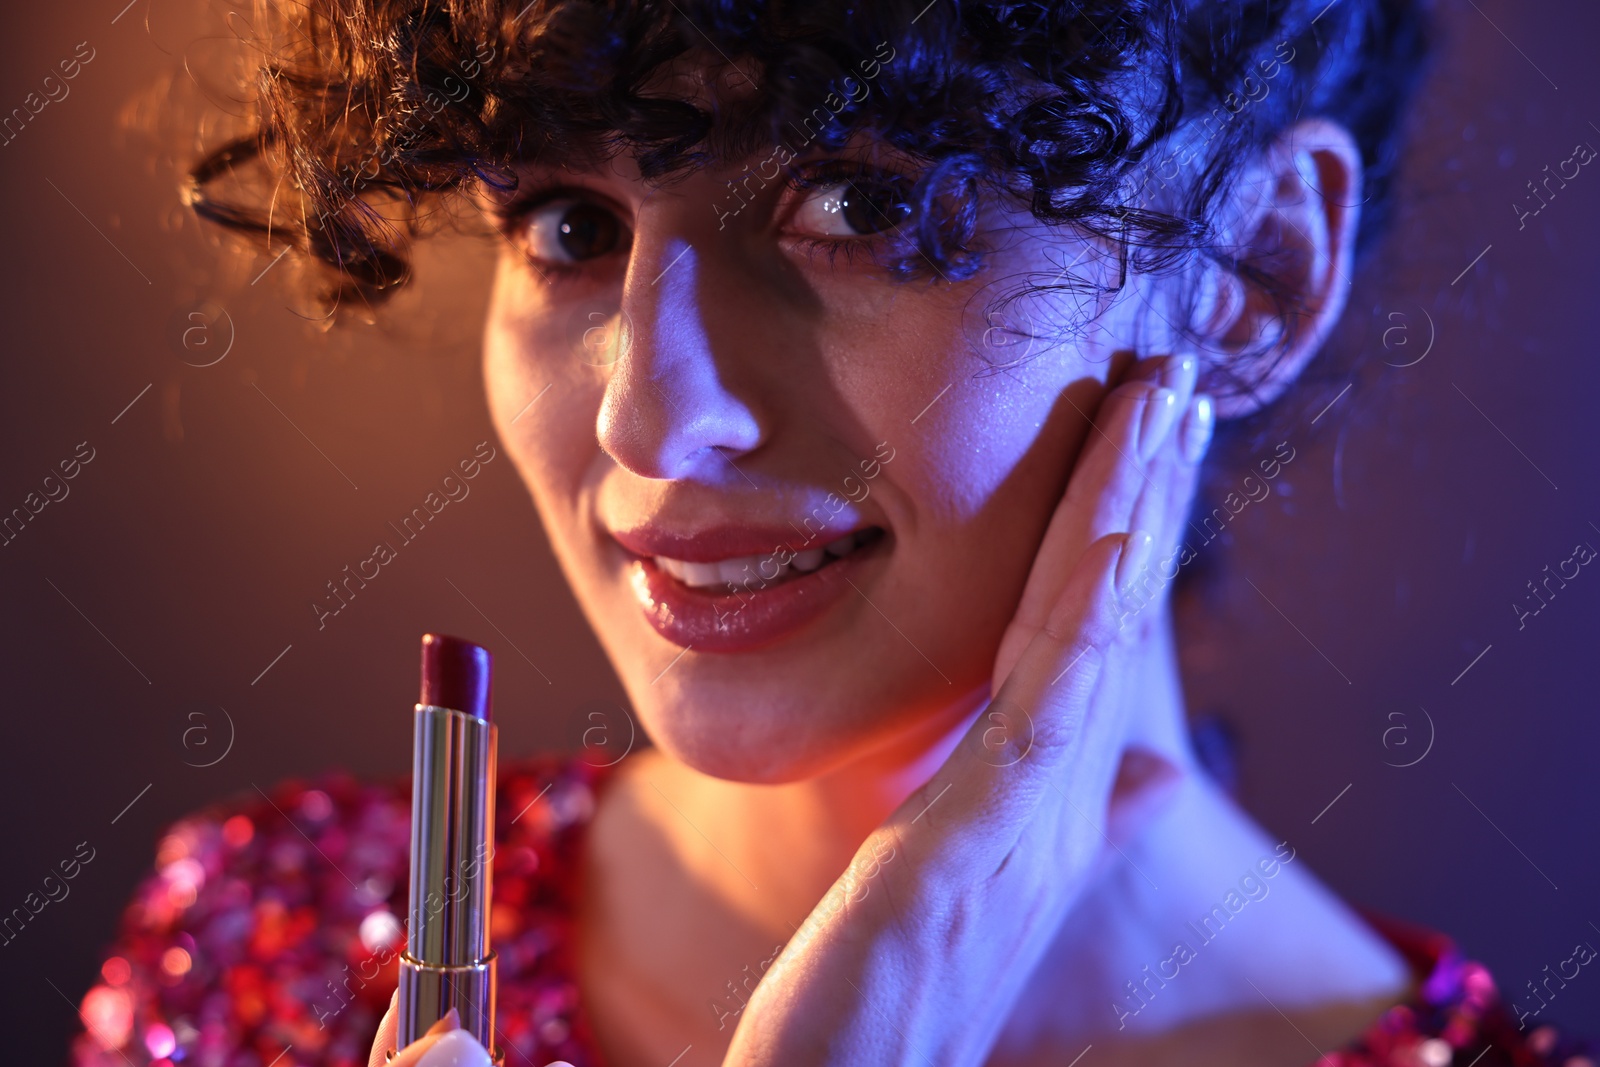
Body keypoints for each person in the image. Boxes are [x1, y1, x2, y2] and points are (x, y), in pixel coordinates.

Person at [68, 1, 1596, 1065]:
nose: (650, 423)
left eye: (864, 208)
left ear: (1253, 272)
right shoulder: (276, 950)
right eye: (568, 226)